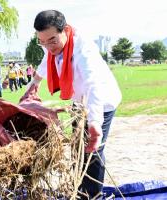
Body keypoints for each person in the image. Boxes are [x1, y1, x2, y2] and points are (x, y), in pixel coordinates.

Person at [26, 10, 122, 199]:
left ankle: (92, 195)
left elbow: (94, 85)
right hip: (79, 102)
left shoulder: (84, 49)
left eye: (52, 40)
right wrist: (34, 84)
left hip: (101, 102)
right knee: (77, 148)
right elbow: (46, 60)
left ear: (65, 30)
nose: (48, 46)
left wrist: (94, 123)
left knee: (92, 151)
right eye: (42, 42)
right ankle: (78, 189)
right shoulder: (51, 45)